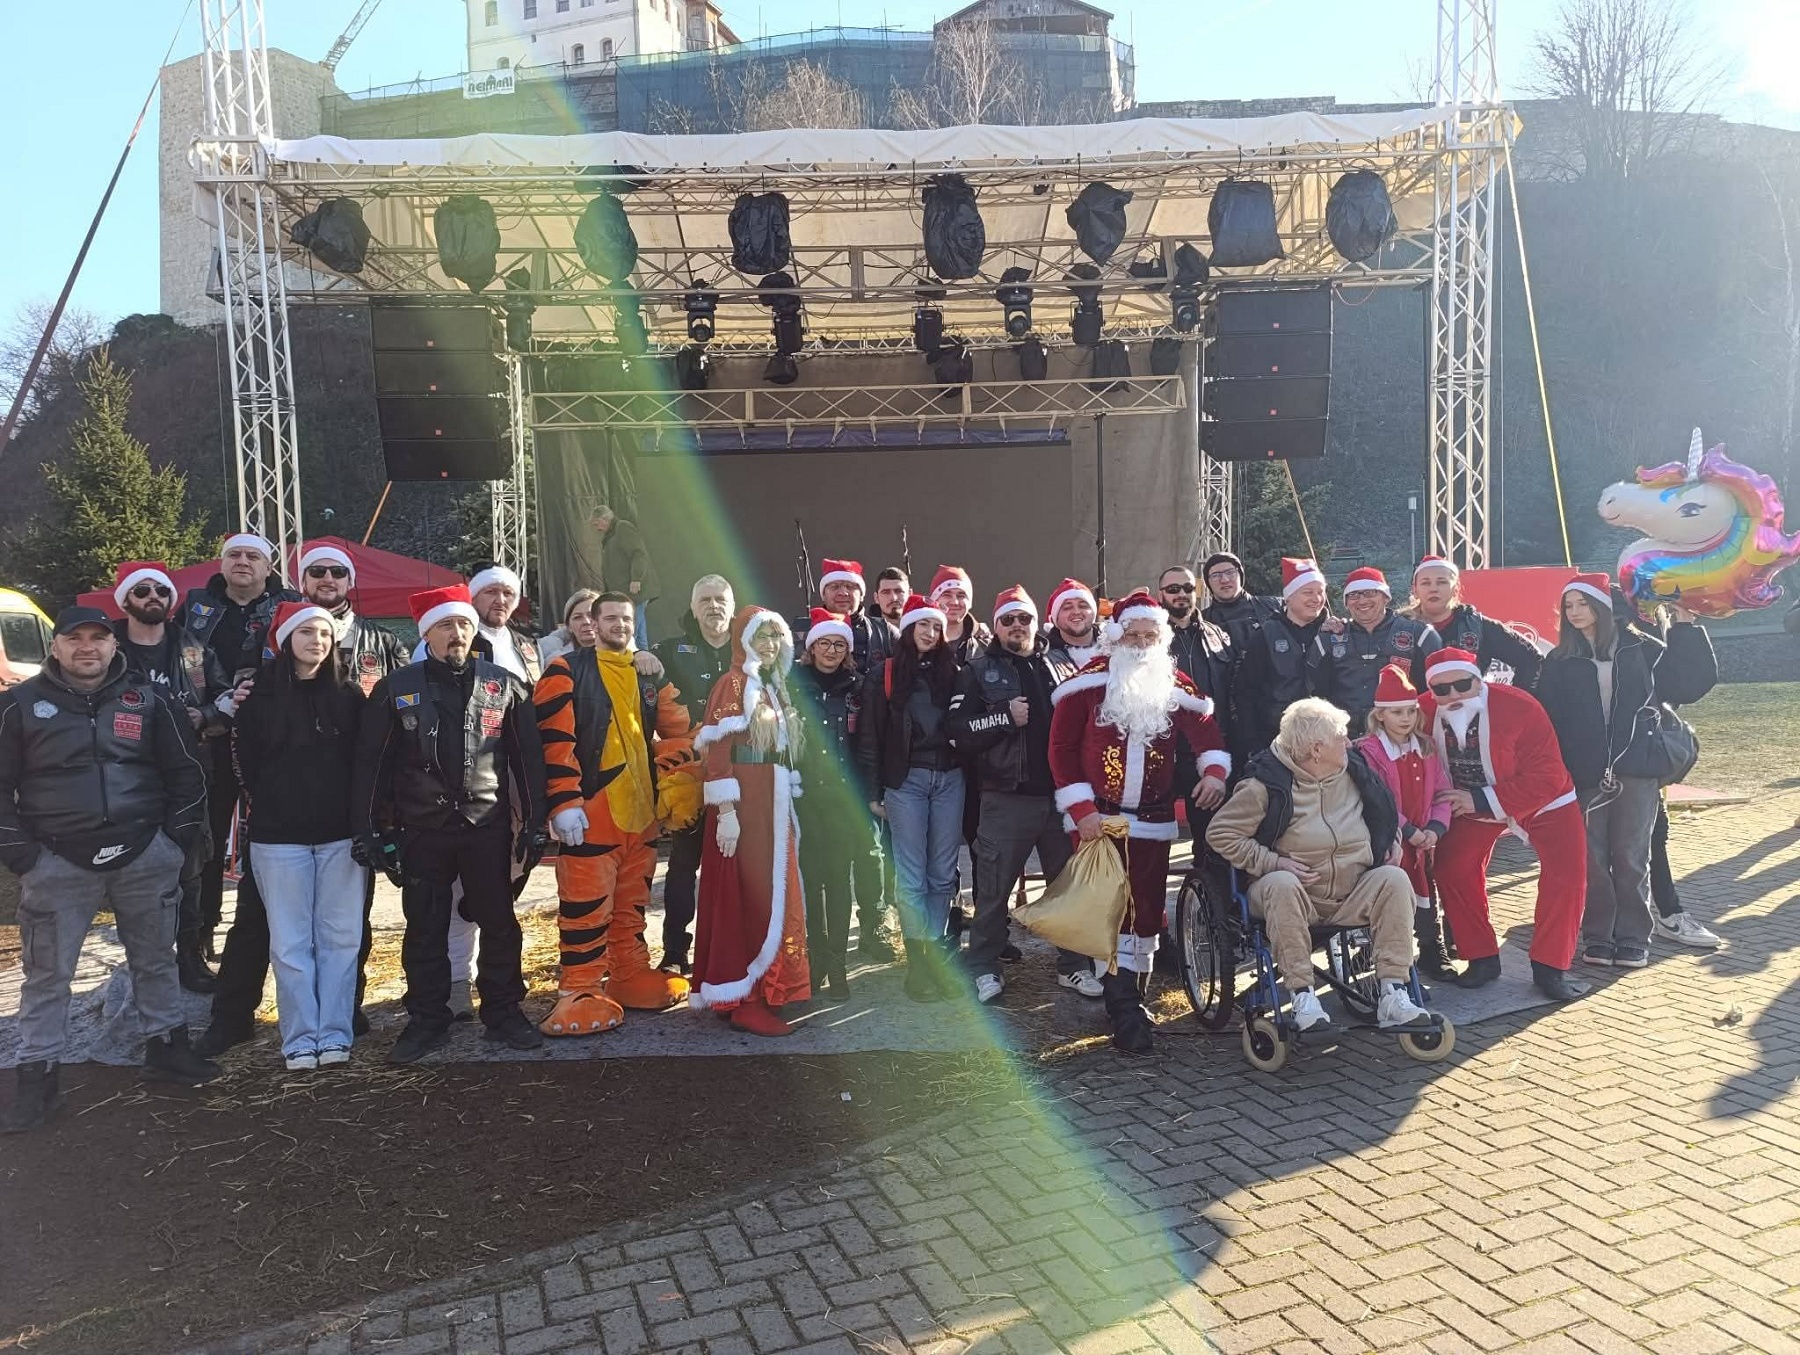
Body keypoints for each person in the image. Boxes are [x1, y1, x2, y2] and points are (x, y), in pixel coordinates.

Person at [0, 607, 216, 1131]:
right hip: (58, 859)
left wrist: (172, 842)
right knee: (48, 974)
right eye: (74, 638)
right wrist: (23, 856)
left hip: (143, 851)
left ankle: (167, 1048)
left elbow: (186, 773)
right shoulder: (17, 705)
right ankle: (37, 1077)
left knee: (156, 958)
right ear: (55, 646)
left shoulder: (149, 698)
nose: (87, 648)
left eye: (98, 638)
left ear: (114, 645)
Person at [199, 542, 408, 1054]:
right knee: (256, 920)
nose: (327, 579)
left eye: (338, 571)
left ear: (350, 581)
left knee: (348, 923)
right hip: (280, 819)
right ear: (303, 580)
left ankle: (342, 1013)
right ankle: (233, 1015)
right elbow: (244, 714)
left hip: (346, 812)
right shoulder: (268, 632)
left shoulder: (382, 641)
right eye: (317, 571)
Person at [352, 585, 548, 1063]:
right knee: (424, 925)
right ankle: (427, 1018)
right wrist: (370, 829)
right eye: (445, 625)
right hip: (422, 827)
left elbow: (527, 761)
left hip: (486, 824)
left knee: (499, 923)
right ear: (427, 634)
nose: (457, 633)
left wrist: (535, 823)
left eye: (463, 624)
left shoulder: (505, 684)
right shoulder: (396, 687)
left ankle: (503, 1012)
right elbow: (372, 764)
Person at [1049, 591, 1230, 1053]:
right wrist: (1081, 810)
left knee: (1146, 909)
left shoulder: (1173, 683)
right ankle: (1123, 1008)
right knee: (1107, 909)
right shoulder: (1087, 683)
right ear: (1117, 637)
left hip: (1152, 819)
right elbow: (1061, 750)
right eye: (1134, 636)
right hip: (1099, 818)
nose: (1143, 644)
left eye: (1151, 636)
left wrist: (1214, 772)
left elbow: (1207, 733)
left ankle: (1134, 998)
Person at [1206, 698, 1433, 1034]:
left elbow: (1383, 810)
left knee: (1394, 879)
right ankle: (1303, 998)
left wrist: (1393, 840)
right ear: (1316, 749)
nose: (1348, 741)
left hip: (1352, 891)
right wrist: (1272, 861)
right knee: (1281, 883)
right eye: (1340, 736)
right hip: (1293, 895)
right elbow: (1220, 833)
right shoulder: (1264, 784)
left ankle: (1393, 992)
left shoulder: (1355, 770)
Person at [536, 593, 702, 1035]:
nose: (620, 625)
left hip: (641, 812)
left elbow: (680, 728)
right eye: (611, 618)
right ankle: (579, 988)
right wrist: (564, 801)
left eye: (626, 618)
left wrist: (680, 776)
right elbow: (555, 742)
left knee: (631, 903)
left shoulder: (648, 673)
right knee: (586, 905)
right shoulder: (565, 670)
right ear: (593, 623)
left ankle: (628, 973)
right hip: (594, 811)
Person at [1534, 575, 1716, 969]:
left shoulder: (1642, 648)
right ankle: (1598, 936)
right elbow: (1547, 720)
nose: (1575, 612)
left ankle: (1633, 937)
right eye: (1569, 606)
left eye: (1583, 603)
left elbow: (1687, 684)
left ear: (1604, 606)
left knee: (1633, 858)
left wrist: (1685, 627)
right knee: (1592, 860)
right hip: (1583, 774)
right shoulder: (1559, 660)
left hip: (1636, 769)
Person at [233, 602, 366, 1070]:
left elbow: (363, 763)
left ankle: (335, 1034)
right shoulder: (257, 697)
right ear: (285, 639)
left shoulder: (349, 695)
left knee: (341, 938)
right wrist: (273, 804)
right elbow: (245, 765)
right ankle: (299, 1038)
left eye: (325, 633)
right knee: (290, 943)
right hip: (278, 838)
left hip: (340, 838)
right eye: (306, 632)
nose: (317, 641)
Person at [1420, 647, 1590, 1001]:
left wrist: (1481, 799)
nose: (1454, 696)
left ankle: (1550, 966)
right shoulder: (1422, 711)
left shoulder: (1520, 706)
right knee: (1452, 867)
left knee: (1568, 874)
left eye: (1463, 685)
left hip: (1543, 801)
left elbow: (1548, 775)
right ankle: (1481, 956)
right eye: (1442, 689)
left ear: (1478, 680)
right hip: (1470, 806)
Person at [948, 586, 1091, 1005]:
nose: (1017, 626)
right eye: (1007, 620)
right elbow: (956, 732)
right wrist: (1002, 717)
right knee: (994, 891)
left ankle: (1074, 965)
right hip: (1005, 798)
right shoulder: (977, 670)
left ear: (1035, 622)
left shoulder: (1061, 663)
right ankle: (983, 966)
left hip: (1061, 800)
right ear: (996, 626)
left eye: (1024, 618)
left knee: (1068, 888)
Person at [175, 532, 301, 967]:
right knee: (206, 840)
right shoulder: (195, 606)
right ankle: (200, 931)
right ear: (222, 562)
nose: (243, 562)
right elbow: (178, 664)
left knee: (271, 837)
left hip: (270, 738)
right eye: (234, 555)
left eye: (253, 556)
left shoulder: (290, 603)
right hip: (209, 737)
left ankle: (270, 928)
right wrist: (209, 711)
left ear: (269, 567)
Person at [690, 608, 810, 1034]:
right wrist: (726, 812)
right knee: (748, 894)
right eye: (761, 636)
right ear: (744, 640)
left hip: (770, 799)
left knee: (768, 892)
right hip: (747, 801)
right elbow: (718, 751)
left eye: (776, 637)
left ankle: (766, 989)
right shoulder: (734, 684)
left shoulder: (773, 686)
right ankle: (745, 999)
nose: (770, 645)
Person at [111, 561, 230, 994]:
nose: (153, 598)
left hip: (188, 774)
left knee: (191, 868)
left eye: (161, 591)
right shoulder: (107, 646)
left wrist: (207, 714)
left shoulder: (193, 649)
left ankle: (190, 959)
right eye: (142, 591)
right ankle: (145, 963)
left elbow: (225, 695)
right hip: (125, 776)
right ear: (125, 599)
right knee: (134, 873)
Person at [857, 593, 966, 1001]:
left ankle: (935, 956)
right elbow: (870, 736)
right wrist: (872, 792)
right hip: (906, 782)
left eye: (937, 626)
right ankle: (917, 963)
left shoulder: (954, 673)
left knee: (943, 873)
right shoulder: (883, 675)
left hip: (950, 779)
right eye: (924, 624)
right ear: (908, 628)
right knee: (911, 875)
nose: (931, 632)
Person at [651, 574, 738, 975]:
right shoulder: (669, 650)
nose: (713, 606)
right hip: (689, 776)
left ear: (732, 607)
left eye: (720, 599)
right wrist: (640, 657)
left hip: (739, 774)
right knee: (684, 866)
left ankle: (730, 950)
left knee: (737, 865)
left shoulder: (748, 649)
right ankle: (674, 952)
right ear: (692, 607)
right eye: (705, 599)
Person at [1354, 665, 1458, 982]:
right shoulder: (1368, 752)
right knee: (1389, 897)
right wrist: (1407, 831)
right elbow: (1375, 800)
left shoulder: (1426, 747)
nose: (1406, 718)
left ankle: (1431, 948)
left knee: (1426, 893)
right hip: (1390, 840)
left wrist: (1435, 828)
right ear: (1380, 715)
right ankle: (1380, 952)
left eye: (1411, 711)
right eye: (1397, 712)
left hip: (1423, 840)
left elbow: (1442, 791)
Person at [792, 609, 865, 999]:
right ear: (812, 646)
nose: (832, 650)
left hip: (842, 799)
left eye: (839, 644)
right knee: (810, 880)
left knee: (838, 881)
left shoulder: (858, 687)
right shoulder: (792, 683)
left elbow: (866, 743)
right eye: (824, 642)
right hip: (804, 796)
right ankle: (815, 956)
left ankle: (837, 962)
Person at [1315, 567, 1443, 731]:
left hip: (1401, 736)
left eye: (1370, 593)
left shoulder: (1419, 634)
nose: (1362, 601)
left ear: (1385, 597)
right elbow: (1314, 692)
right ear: (1346, 603)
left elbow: (1437, 689)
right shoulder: (1329, 637)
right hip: (1345, 737)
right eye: (1353, 595)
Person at [1237, 557, 1331, 752]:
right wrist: (1252, 742)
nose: (1316, 598)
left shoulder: (1334, 632)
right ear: (1288, 597)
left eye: (1320, 592)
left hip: (1324, 737)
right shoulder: (1266, 635)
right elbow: (1246, 691)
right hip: (1274, 738)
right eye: (1308, 592)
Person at [1408, 556, 1542, 689]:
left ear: (1456, 588)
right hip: (1412, 704)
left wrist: (1512, 698)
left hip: (1468, 703)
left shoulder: (1478, 626)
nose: (1433, 589)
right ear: (1415, 590)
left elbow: (1532, 658)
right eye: (1425, 583)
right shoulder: (1401, 626)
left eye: (1442, 582)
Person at [1159, 564, 1243, 769]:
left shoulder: (1216, 634)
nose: (1181, 594)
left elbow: (1235, 689)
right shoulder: (1150, 638)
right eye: (1173, 589)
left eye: (1188, 588)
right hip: (1169, 751)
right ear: (1160, 595)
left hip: (1216, 748)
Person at [800, 559, 894, 674]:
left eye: (850, 587)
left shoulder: (885, 632)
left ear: (862, 595)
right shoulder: (801, 632)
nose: (843, 593)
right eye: (835, 587)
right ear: (823, 594)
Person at [589, 504, 660, 648]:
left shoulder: (622, 528)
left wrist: (636, 579)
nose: (597, 528)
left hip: (634, 591)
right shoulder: (611, 534)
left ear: (604, 519)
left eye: (597, 524)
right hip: (627, 592)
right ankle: (644, 655)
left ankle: (634, 655)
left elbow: (638, 553)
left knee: (631, 629)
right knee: (639, 630)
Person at [1200, 551, 1281, 652]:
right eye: (1215, 575)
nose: (1224, 580)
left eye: (1230, 572)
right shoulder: (1201, 622)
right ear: (1208, 583)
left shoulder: (1272, 607)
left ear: (1240, 575)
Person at [929, 565, 990, 664]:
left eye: (961, 595)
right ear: (934, 600)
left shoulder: (986, 645)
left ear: (970, 602)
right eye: (947, 595)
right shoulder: (920, 640)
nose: (955, 602)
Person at [1043, 578, 1103, 672]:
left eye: (1083, 606)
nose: (1076, 612)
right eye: (1067, 607)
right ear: (1056, 618)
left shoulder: (1116, 646)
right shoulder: (1042, 659)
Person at [537, 589, 601, 670]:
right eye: (577, 617)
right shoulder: (559, 664)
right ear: (569, 626)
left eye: (592, 615)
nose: (586, 622)